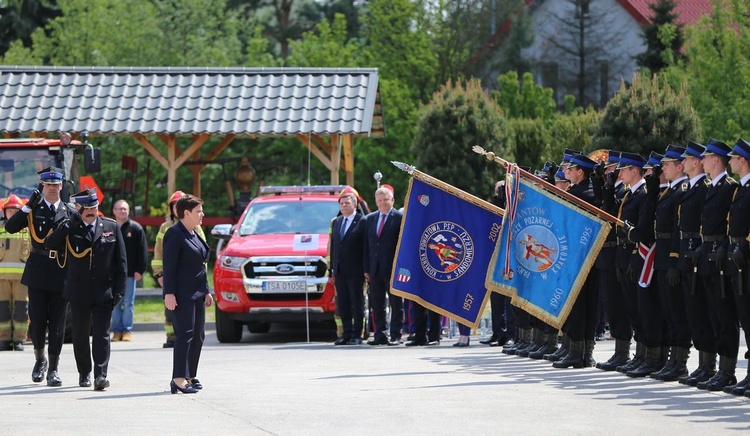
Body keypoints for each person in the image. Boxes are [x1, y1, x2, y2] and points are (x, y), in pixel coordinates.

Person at [45, 189, 126, 390]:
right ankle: (84, 373)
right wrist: (67, 227)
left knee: (102, 334)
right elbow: (49, 244)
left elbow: (121, 262)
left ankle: (101, 374)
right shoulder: (70, 227)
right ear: (79, 209)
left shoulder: (110, 226)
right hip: (78, 291)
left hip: (103, 291)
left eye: (94, 207)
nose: (91, 211)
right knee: (80, 335)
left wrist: (120, 291)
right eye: (87, 208)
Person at [5, 166, 73, 386]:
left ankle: (53, 368)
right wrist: (26, 208)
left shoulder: (70, 211)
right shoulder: (33, 209)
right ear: (42, 186)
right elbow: (11, 227)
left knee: (58, 323)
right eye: (48, 185)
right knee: (37, 322)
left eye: (56, 184)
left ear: (61, 185)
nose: (52, 189)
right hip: (37, 271)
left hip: (61, 270)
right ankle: (39, 361)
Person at [648, 145, 693, 382]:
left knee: (677, 311)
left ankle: (680, 361)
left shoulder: (681, 192)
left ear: (679, 167)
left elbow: (678, 229)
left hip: (672, 254)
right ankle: (671, 360)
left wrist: (675, 259)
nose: (663, 168)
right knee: (668, 309)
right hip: (663, 255)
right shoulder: (668, 193)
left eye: (667, 164)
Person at [674, 141, 716, 386]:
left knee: (702, 309)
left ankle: (708, 365)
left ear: (697, 162)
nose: (684, 163)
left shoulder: (704, 188)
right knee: (692, 310)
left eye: (687, 159)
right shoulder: (692, 186)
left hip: (698, 254)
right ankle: (702, 365)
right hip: (686, 252)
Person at [163, 194, 212, 394]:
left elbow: (201, 266)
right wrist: (169, 293)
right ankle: (178, 378)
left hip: (198, 293)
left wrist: (207, 290)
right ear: (186, 213)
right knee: (184, 335)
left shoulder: (194, 233)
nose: (202, 214)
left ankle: (190, 375)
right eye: (198, 211)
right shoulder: (175, 234)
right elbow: (170, 266)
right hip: (182, 294)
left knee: (198, 336)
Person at [152, 191, 206, 348]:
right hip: (170, 276)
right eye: (174, 205)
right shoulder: (166, 228)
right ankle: (171, 336)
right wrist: (159, 273)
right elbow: (159, 253)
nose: (176, 208)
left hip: (192, 281)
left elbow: (202, 252)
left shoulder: (196, 227)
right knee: (170, 309)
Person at [724, 138, 750, 396]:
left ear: (743, 160)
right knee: (745, 317)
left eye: (733, 158)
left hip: (747, 256)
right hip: (737, 257)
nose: (729, 161)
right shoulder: (740, 189)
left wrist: (746, 244)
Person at [363, 186, 403, 346]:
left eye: (385, 199)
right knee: (377, 303)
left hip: (392, 268)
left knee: (395, 303)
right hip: (374, 268)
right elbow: (366, 246)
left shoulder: (399, 218)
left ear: (392, 200)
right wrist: (366, 268)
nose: (382, 203)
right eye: (379, 200)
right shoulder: (370, 219)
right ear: (376, 202)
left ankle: (396, 334)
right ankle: (380, 334)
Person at [329, 189, 366, 345]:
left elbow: (366, 247)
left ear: (355, 204)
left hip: (356, 270)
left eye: (347, 203)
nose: (344, 206)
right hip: (340, 270)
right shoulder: (337, 222)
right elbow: (334, 247)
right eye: (341, 203)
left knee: (356, 303)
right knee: (343, 303)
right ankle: (346, 333)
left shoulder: (362, 221)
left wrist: (366, 269)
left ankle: (357, 335)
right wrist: (331, 269)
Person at [111, 199, 148, 342]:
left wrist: (140, 269)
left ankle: (127, 331)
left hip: (131, 273)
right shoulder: (109, 228)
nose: (122, 211)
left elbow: (142, 251)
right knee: (114, 303)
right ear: (114, 211)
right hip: (113, 273)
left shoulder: (136, 228)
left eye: (125, 209)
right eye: (120, 209)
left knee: (128, 303)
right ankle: (116, 331)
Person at [0, 195, 30, 351]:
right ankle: (4, 339)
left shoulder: (28, 231)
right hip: (1, 280)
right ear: (4, 212)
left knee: (21, 309)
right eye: (9, 210)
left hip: (22, 280)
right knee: (2, 309)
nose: (12, 213)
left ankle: (19, 340)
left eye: (15, 211)